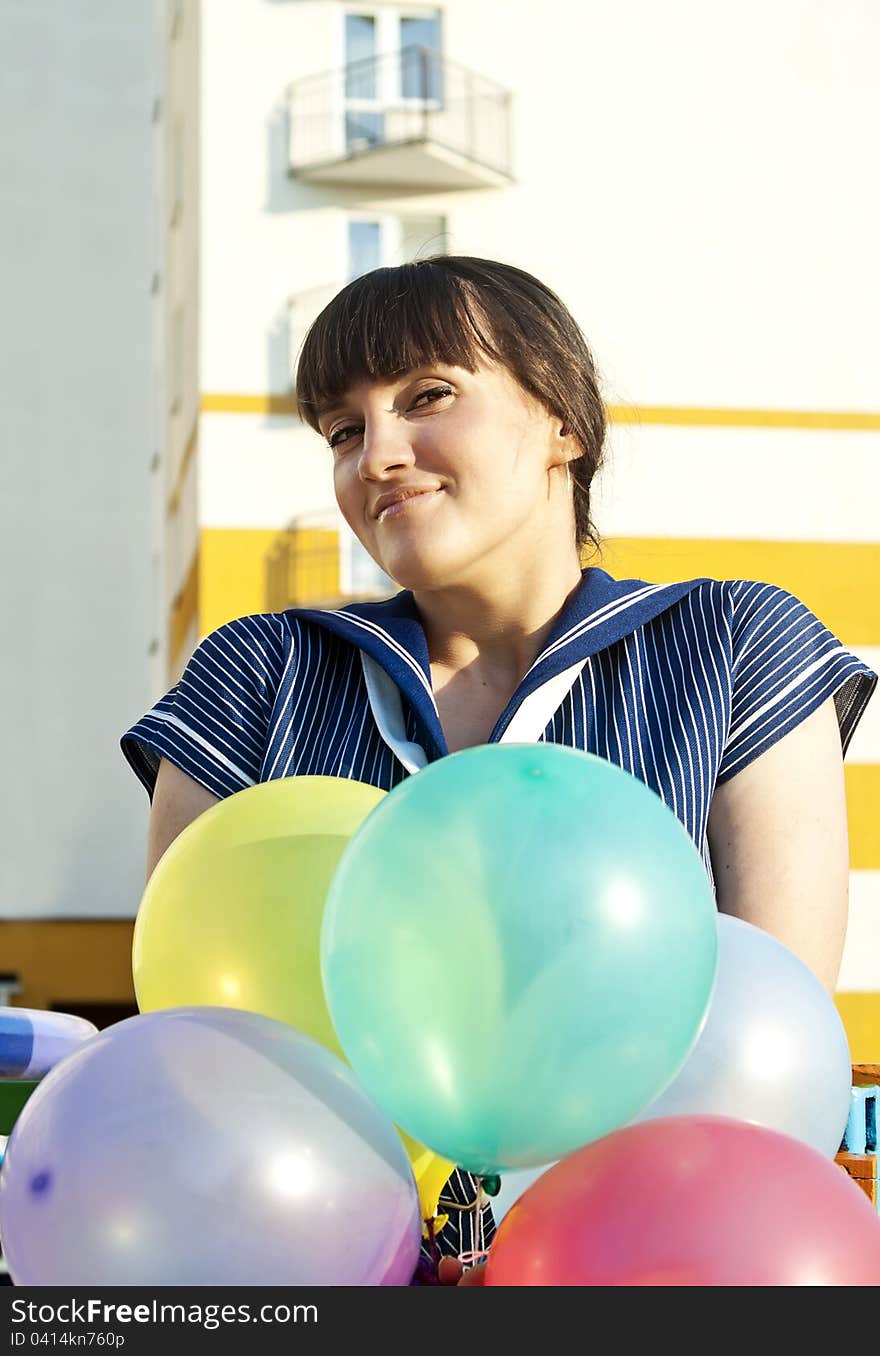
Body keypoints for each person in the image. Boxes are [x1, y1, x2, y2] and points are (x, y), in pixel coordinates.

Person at [121, 255, 877, 1280]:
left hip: (646, 1270)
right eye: (343, 431)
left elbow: (765, 1028)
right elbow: (202, 1046)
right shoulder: (261, 672)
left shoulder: (734, 643)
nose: (377, 454)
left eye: (427, 397)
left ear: (562, 420)